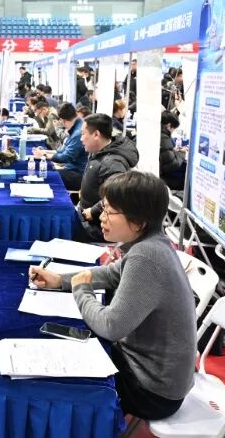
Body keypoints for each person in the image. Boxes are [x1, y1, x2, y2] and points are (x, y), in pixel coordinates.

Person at [29, 171, 196, 420]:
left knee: (53, 379)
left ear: (138, 222)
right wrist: (60, 280)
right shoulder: (151, 244)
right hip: (149, 372)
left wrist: (81, 290)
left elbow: (110, 326)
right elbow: (111, 274)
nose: (102, 218)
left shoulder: (146, 257)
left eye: (110, 212)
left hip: (150, 391)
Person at [77, 114, 139, 241]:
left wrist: (93, 211)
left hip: (97, 227)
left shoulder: (112, 163)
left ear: (96, 134)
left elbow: (116, 195)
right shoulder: (100, 152)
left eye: (83, 134)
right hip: (86, 216)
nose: (81, 139)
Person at [33, 103, 88, 191]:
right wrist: (45, 152)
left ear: (62, 120)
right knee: (45, 171)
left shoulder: (77, 133)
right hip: (71, 169)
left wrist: (45, 155)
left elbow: (65, 157)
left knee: (45, 174)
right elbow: (62, 151)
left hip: (77, 174)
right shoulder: (75, 127)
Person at [159, 111, 188, 191]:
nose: (173, 131)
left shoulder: (157, 132)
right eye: (174, 128)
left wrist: (173, 151)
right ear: (169, 126)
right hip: (161, 179)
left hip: (155, 174)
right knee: (184, 181)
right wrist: (182, 154)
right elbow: (172, 165)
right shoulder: (164, 138)